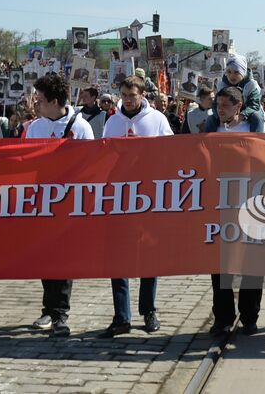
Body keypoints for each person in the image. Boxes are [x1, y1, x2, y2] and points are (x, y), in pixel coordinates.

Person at [101, 75, 172, 336]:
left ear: (142, 95)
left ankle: (148, 310)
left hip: (149, 196)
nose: (128, 100)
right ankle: (121, 315)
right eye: (124, 95)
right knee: (118, 257)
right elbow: (104, 155)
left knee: (148, 257)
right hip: (119, 197)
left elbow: (171, 153)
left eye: (132, 95)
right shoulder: (113, 121)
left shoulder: (157, 120)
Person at [25, 73, 94, 336]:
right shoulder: (35, 127)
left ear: (54, 101)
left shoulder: (81, 127)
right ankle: (48, 308)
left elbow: (90, 165)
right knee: (45, 257)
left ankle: (60, 313)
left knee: (64, 258)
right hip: (43, 201)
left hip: (69, 202)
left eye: (40, 100)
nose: (36, 104)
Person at [205, 86, 265, 333]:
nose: (219, 110)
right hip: (219, 202)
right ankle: (223, 316)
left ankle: (250, 316)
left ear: (238, 107)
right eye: (217, 105)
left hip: (251, 202)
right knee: (219, 262)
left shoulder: (253, 127)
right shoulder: (212, 127)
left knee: (252, 261)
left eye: (225, 106)